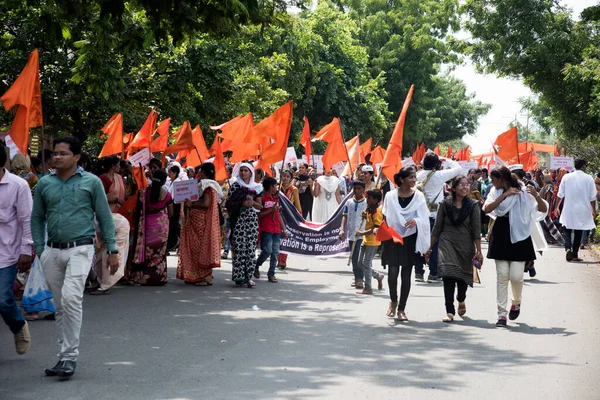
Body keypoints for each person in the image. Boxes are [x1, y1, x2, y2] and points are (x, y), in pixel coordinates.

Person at [31, 136, 118, 378]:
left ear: (77, 157)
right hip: (51, 251)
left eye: (63, 153)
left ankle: (70, 357)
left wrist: (112, 250)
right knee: (60, 307)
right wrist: (40, 249)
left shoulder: (91, 182)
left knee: (71, 299)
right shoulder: (45, 183)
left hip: (80, 249)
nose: (57, 157)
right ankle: (64, 356)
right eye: (55, 153)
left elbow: (104, 216)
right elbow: (37, 217)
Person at [484, 166, 548, 327]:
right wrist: (505, 195)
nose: (491, 182)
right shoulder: (495, 191)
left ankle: (516, 301)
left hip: (520, 235)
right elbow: (487, 208)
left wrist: (535, 195)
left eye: (494, 179)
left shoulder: (523, 192)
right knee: (502, 276)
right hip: (501, 234)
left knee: (517, 276)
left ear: (502, 179)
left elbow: (542, 208)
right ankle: (501, 314)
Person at [427, 176, 482, 322]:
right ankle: (449, 311)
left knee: (462, 278)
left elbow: (476, 230)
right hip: (447, 243)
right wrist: (430, 247)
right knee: (448, 274)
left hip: (465, 244)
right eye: (462, 185)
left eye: (467, 185)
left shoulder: (473, 205)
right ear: (454, 187)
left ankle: (461, 298)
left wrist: (479, 251)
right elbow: (437, 227)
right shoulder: (444, 205)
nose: (465, 187)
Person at [382, 167, 431, 321]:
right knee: (392, 274)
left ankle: (402, 308)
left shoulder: (419, 196)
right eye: (410, 177)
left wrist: (415, 221)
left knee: (406, 275)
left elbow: (424, 217)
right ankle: (393, 300)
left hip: (410, 238)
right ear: (402, 179)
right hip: (393, 237)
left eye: (414, 177)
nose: (414, 180)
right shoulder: (390, 196)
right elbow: (386, 215)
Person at [0, 144, 32, 355]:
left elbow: (26, 219)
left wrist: (26, 250)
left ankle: (18, 326)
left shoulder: (18, 185)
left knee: (2, 299)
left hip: (7, 254)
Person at [415, 152, 462, 283]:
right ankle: (433, 273)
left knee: (420, 241)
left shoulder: (418, 175)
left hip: (420, 214)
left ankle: (418, 272)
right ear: (437, 164)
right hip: (436, 215)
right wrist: (446, 159)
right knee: (435, 244)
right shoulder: (439, 175)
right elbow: (458, 168)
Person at [177, 163, 222, 286]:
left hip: (201, 223)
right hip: (196, 221)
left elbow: (206, 203)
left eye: (201, 171)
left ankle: (204, 277)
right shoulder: (207, 185)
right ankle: (195, 275)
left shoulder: (207, 186)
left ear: (205, 172)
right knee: (196, 248)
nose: (199, 174)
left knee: (200, 249)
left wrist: (192, 204)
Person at [91, 157, 131, 295]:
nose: (120, 167)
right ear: (113, 166)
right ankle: (102, 281)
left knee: (109, 250)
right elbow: (97, 198)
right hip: (102, 218)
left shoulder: (119, 178)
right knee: (100, 250)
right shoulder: (102, 179)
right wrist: (113, 199)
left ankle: (105, 284)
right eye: (119, 165)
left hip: (116, 219)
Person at [129, 169, 173, 285]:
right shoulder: (167, 195)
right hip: (161, 227)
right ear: (164, 181)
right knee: (159, 252)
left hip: (146, 226)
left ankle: (140, 277)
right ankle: (158, 277)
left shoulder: (143, 193)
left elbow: (137, 209)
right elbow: (171, 213)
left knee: (145, 250)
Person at [225, 162, 263, 288]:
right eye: (241, 170)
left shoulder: (256, 188)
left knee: (251, 249)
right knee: (239, 247)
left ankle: (249, 277)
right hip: (238, 221)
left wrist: (251, 203)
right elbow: (228, 204)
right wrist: (241, 203)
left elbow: (260, 206)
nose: (243, 173)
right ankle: (239, 276)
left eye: (246, 170)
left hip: (251, 220)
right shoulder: (235, 186)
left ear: (251, 172)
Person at [555, 159, 597, 262]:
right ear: (583, 166)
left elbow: (560, 194)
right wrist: (593, 210)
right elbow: (592, 197)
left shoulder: (566, 177)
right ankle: (574, 254)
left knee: (567, 230)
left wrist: (556, 207)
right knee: (578, 232)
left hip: (569, 209)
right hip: (583, 209)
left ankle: (568, 248)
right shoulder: (589, 178)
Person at [255, 177, 287, 283]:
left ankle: (271, 273)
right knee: (267, 250)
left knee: (275, 252)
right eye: (275, 186)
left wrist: (284, 229)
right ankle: (256, 265)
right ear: (270, 186)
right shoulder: (262, 198)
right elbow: (259, 215)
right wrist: (270, 211)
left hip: (276, 229)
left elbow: (279, 215)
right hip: (266, 228)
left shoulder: (276, 199)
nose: (276, 187)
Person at [356, 190, 385, 294]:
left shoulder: (377, 212)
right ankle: (378, 276)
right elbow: (369, 221)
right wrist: (365, 216)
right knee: (360, 263)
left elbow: (375, 227)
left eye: (370, 198)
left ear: (376, 200)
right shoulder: (369, 209)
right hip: (366, 240)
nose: (367, 200)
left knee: (366, 263)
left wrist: (362, 233)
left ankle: (368, 288)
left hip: (373, 241)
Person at [340, 181, 368, 288]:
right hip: (351, 233)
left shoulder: (366, 203)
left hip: (362, 234)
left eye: (359, 188)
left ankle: (360, 278)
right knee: (352, 257)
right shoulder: (349, 202)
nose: (356, 191)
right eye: (355, 188)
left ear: (363, 190)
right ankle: (357, 278)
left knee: (357, 256)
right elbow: (344, 216)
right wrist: (342, 229)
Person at [277, 169, 301, 270]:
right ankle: (277, 259)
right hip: (276, 216)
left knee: (285, 239)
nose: (285, 178)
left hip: (288, 217)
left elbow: (297, 204)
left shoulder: (294, 189)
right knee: (277, 238)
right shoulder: (277, 188)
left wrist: (300, 218)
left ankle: (282, 261)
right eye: (284, 176)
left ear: (291, 179)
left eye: (287, 176)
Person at [167, 164, 185, 252]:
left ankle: (179, 243)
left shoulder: (178, 182)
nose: (168, 173)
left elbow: (181, 197)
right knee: (173, 226)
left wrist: (181, 210)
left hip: (176, 206)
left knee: (175, 226)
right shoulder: (172, 182)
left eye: (170, 172)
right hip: (172, 205)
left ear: (175, 173)